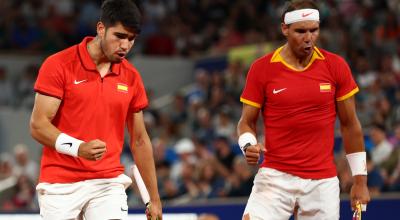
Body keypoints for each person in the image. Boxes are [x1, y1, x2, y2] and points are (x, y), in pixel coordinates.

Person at [236, 1, 370, 219]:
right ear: (285, 29)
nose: (308, 38)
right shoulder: (261, 68)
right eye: (300, 31)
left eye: (313, 30)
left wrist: (360, 181)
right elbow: (246, 121)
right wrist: (248, 145)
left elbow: (350, 124)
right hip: (274, 178)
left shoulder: (335, 66)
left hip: (322, 183)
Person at [29, 0, 162, 219]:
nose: (125, 46)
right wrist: (78, 148)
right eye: (119, 36)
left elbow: (139, 140)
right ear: (101, 29)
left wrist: (154, 199)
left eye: (131, 39)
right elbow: (38, 126)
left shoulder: (131, 77)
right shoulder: (58, 65)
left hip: (107, 182)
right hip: (59, 183)